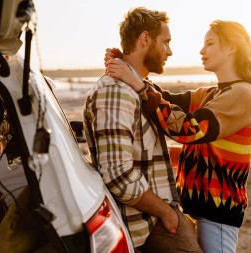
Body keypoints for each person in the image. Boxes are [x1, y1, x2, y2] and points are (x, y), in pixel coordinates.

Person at [105, 20, 251, 253]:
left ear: (232, 47)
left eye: (210, 44)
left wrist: (136, 84)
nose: (202, 51)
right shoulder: (211, 93)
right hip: (202, 210)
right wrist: (130, 66)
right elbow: (165, 99)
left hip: (217, 215)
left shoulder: (243, 93)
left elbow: (186, 129)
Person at [83, 7, 202, 253]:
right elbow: (118, 174)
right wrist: (166, 213)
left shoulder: (136, 87)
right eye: (166, 42)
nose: (170, 51)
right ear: (145, 39)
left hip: (158, 218)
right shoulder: (115, 91)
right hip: (149, 226)